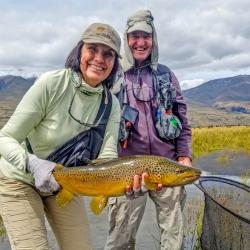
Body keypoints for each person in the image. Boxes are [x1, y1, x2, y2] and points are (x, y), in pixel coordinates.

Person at [0, 22, 122, 250]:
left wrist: (122, 182)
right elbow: (5, 138)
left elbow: (107, 156)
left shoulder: (111, 104)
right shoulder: (52, 83)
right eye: (92, 49)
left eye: (108, 54)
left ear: (114, 64)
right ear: (79, 51)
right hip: (19, 179)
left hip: (66, 183)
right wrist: (33, 164)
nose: (99, 58)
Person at [105, 10, 192, 250]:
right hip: (127, 173)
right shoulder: (112, 75)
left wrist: (184, 156)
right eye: (135, 36)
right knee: (120, 239)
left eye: (146, 36)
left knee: (173, 237)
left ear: (154, 39)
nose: (141, 42)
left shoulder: (166, 75)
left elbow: (182, 121)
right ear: (127, 38)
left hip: (167, 167)